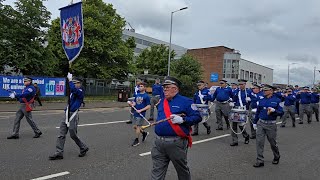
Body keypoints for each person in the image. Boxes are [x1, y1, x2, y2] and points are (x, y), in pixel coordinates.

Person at [151, 76, 201, 180]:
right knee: (157, 170)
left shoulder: (186, 101)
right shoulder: (162, 102)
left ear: (175, 88)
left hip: (176, 143)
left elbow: (197, 117)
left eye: (167, 87)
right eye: (164, 87)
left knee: (181, 170)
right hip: (159, 142)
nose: (164, 89)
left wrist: (183, 120)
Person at [49, 74, 88, 160]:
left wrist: (70, 81)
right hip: (67, 113)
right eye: (73, 82)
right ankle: (59, 152)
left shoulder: (80, 91)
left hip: (73, 114)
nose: (74, 84)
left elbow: (74, 90)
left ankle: (83, 147)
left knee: (73, 134)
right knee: (61, 134)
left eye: (75, 83)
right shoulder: (73, 91)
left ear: (80, 83)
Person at [252, 84, 283, 168]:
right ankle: (260, 160)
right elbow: (258, 112)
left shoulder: (277, 100)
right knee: (259, 142)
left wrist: (274, 111)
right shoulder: (261, 100)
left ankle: (276, 156)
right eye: (263, 90)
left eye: (266, 90)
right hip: (261, 123)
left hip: (271, 124)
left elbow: (281, 112)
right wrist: (254, 122)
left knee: (272, 142)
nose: (264, 92)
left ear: (271, 91)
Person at [128, 82, 151, 147]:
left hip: (141, 114)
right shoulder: (137, 94)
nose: (139, 87)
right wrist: (131, 104)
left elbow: (148, 106)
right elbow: (135, 103)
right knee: (135, 127)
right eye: (139, 86)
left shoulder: (146, 96)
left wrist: (140, 110)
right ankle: (144, 133)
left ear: (145, 87)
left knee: (138, 127)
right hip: (136, 113)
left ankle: (137, 140)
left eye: (141, 86)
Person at [229, 79, 250, 146]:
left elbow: (254, 100)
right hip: (236, 109)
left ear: (245, 84)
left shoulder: (248, 92)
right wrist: (232, 103)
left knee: (241, 125)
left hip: (243, 109)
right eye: (239, 84)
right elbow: (233, 99)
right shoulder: (236, 91)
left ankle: (246, 136)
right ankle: (235, 141)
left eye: (242, 84)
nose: (240, 86)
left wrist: (250, 100)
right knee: (234, 125)